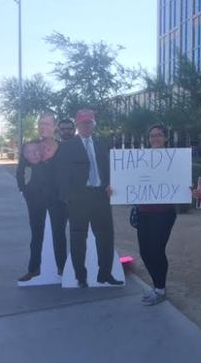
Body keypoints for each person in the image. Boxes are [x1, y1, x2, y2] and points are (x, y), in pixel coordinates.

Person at [56, 109, 123, 288]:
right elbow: (61, 174)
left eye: (89, 122)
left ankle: (105, 274)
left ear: (94, 124)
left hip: (101, 196)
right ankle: (81, 276)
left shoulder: (102, 145)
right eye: (83, 123)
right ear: (77, 125)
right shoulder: (67, 147)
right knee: (78, 238)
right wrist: (67, 197)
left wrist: (111, 184)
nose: (86, 126)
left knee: (106, 236)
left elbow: (109, 169)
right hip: (79, 198)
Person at [17, 113, 67, 281]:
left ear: (55, 127)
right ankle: (33, 269)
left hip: (58, 200)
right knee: (36, 234)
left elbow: (70, 173)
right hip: (35, 199)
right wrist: (25, 191)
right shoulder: (30, 146)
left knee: (59, 234)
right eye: (40, 124)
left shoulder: (64, 148)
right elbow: (20, 171)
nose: (42, 127)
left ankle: (62, 268)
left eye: (46, 124)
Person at [132, 124, 177, 305]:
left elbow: (180, 183)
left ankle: (160, 288)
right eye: (152, 136)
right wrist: (116, 190)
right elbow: (130, 181)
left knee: (157, 250)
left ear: (166, 138)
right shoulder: (140, 158)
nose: (155, 138)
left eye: (159, 135)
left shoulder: (175, 159)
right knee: (144, 251)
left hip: (164, 213)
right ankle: (157, 285)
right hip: (144, 211)